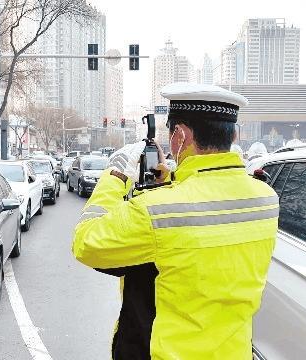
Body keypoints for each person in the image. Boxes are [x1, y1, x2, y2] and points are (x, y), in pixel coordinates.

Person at [72, 83, 279, 359]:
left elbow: (87, 242)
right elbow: (204, 216)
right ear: (234, 134)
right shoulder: (266, 197)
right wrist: (169, 180)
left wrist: (116, 176)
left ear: (179, 136)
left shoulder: (156, 210)